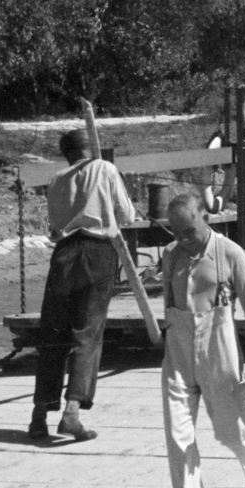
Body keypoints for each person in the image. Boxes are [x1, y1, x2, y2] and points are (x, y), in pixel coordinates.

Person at [30, 99, 153, 442]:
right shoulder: (105, 169)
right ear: (90, 148)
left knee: (52, 333)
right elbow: (127, 217)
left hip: (64, 253)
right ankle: (71, 412)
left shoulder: (55, 179)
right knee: (87, 332)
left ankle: (38, 416)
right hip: (97, 251)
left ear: (67, 154)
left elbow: (56, 226)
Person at [159, 193, 245, 488]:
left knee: (228, 430)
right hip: (178, 350)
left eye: (189, 230)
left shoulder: (230, 254)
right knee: (178, 434)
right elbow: (168, 301)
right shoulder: (169, 256)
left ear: (205, 217)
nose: (182, 239)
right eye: (176, 232)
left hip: (217, 346)